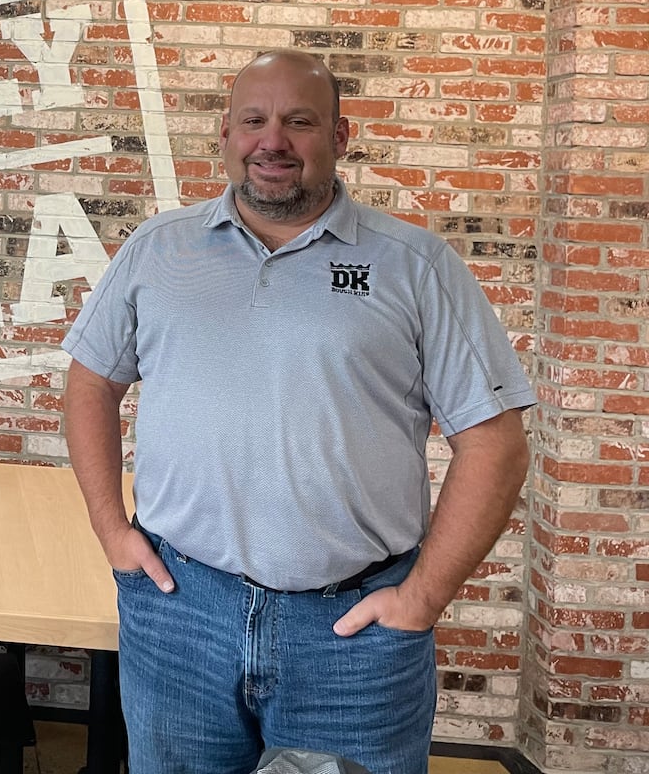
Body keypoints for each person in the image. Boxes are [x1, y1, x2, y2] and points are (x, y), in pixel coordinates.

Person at [63, 49, 532, 774]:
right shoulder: (158, 250)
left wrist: (421, 599)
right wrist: (108, 527)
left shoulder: (415, 266)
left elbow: (495, 444)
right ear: (225, 133)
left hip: (351, 637)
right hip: (180, 613)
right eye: (254, 120)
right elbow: (90, 382)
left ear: (340, 137)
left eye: (300, 122)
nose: (272, 141)